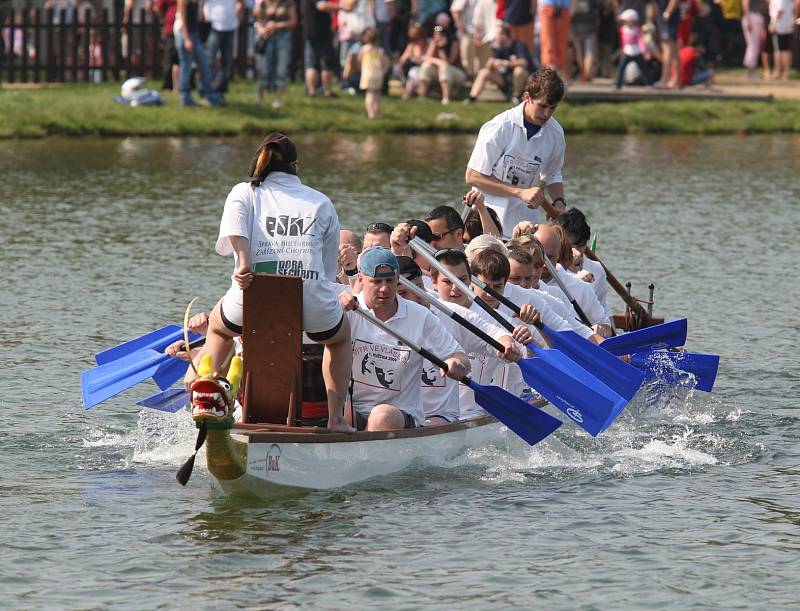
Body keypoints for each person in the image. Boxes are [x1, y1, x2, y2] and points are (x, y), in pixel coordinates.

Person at [184, 132, 354, 433]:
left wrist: (245, 262)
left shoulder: (243, 191)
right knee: (339, 339)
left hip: (251, 295)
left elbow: (236, 230)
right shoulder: (321, 202)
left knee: (219, 328)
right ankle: (336, 419)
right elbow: (328, 272)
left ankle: (203, 384)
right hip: (311, 299)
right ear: (296, 166)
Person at [341, 247, 471, 430]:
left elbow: (461, 357)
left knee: (382, 417)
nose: (384, 288)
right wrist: (334, 311)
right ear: (361, 279)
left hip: (400, 413)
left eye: (389, 280)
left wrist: (457, 364)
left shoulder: (419, 316)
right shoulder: (348, 310)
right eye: (376, 282)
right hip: (356, 409)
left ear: (398, 279)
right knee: (340, 414)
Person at [465, 66, 567, 240]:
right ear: (527, 97)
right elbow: (473, 176)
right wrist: (520, 192)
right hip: (487, 223)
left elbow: (552, 174)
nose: (546, 114)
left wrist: (559, 202)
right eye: (542, 106)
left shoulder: (556, 133)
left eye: (552, 108)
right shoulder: (500, 127)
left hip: (525, 227)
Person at [465, 24, 536, 103]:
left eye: (498, 34)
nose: (496, 36)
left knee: (519, 71)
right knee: (483, 72)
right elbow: (488, 67)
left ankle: (516, 96)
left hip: (523, 80)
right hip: (505, 79)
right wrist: (491, 63)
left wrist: (505, 63)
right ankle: (472, 98)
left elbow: (524, 62)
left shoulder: (518, 45)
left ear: (505, 35)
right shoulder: (498, 47)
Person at [174, 0, 221, 106]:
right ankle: (184, 97)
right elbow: (183, 20)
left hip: (194, 35)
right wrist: (186, 39)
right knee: (186, 67)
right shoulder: (183, 1)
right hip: (185, 36)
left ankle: (207, 94)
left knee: (203, 64)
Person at [254, 0, 297, 108]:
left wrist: (276, 25)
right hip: (267, 38)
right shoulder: (263, 3)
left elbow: (293, 21)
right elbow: (257, 20)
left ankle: (278, 98)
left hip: (283, 38)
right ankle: (259, 97)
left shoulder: (287, 3)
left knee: (281, 69)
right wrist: (261, 29)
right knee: (263, 69)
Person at [418, 24, 467, 104]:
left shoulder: (453, 43)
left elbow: (448, 62)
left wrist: (441, 48)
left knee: (444, 67)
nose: (437, 36)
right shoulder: (434, 43)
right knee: (426, 66)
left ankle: (446, 98)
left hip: (457, 73)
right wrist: (434, 46)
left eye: (439, 34)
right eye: (435, 34)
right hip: (439, 71)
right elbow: (426, 58)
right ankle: (422, 96)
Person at [204, 0, 243, 99]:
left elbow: (241, 3)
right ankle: (208, 90)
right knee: (210, 61)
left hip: (230, 27)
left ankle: (220, 91)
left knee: (227, 62)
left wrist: (239, 16)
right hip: (214, 26)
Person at [301, 0, 339, 97]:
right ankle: (327, 91)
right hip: (321, 33)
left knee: (312, 64)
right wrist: (342, 6)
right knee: (326, 64)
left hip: (310, 32)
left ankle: (312, 91)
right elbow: (321, 6)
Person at [614, 8, 654, 88]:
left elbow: (641, 41)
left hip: (636, 52)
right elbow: (621, 42)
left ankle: (650, 83)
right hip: (627, 52)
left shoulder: (637, 30)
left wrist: (644, 52)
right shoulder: (622, 30)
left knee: (644, 68)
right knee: (621, 68)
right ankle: (618, 84)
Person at [359, 27, 390, 118]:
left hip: (367, 75)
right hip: (378, 75)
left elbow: (360, 60)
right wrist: (383, 71)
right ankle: (376, 111)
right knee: (377, 94)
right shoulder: (380, 51)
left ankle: (370, 112)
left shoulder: (364, 49)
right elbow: (386, 63)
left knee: (369, 94)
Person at [539, 0, 573, 75]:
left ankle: (561, 75)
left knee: (562, 43)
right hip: (548, 5)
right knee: (548, 42)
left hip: (564, 7)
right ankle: (549, 73)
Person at [570, 0, 601, 80]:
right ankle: (587, 74)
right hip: (590, 28)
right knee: (589, 52)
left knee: (579, 52)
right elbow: (599, 7)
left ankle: (583, 73)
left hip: (576, 28)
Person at [155, 0, 179, 92]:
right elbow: (158, 8)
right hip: (170, 29)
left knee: (182, 60)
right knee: (170, 58)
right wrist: (166, 18)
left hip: (185, 29)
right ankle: (168, 85)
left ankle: (184, 84)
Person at [768, 0, 795, 80]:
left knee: (780, 50)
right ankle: (784, 72)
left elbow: (780, 10)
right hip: (786, 25)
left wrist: (773, 23)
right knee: (785, 49)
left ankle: (780, 72)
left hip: (780, 26)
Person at [741, 0, 768, 79]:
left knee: (754, 45)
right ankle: (751, 71)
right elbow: (745, 3)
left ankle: (751, 71)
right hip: (752, 17)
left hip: (756, 17)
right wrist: (748, 19)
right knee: (753, 45)